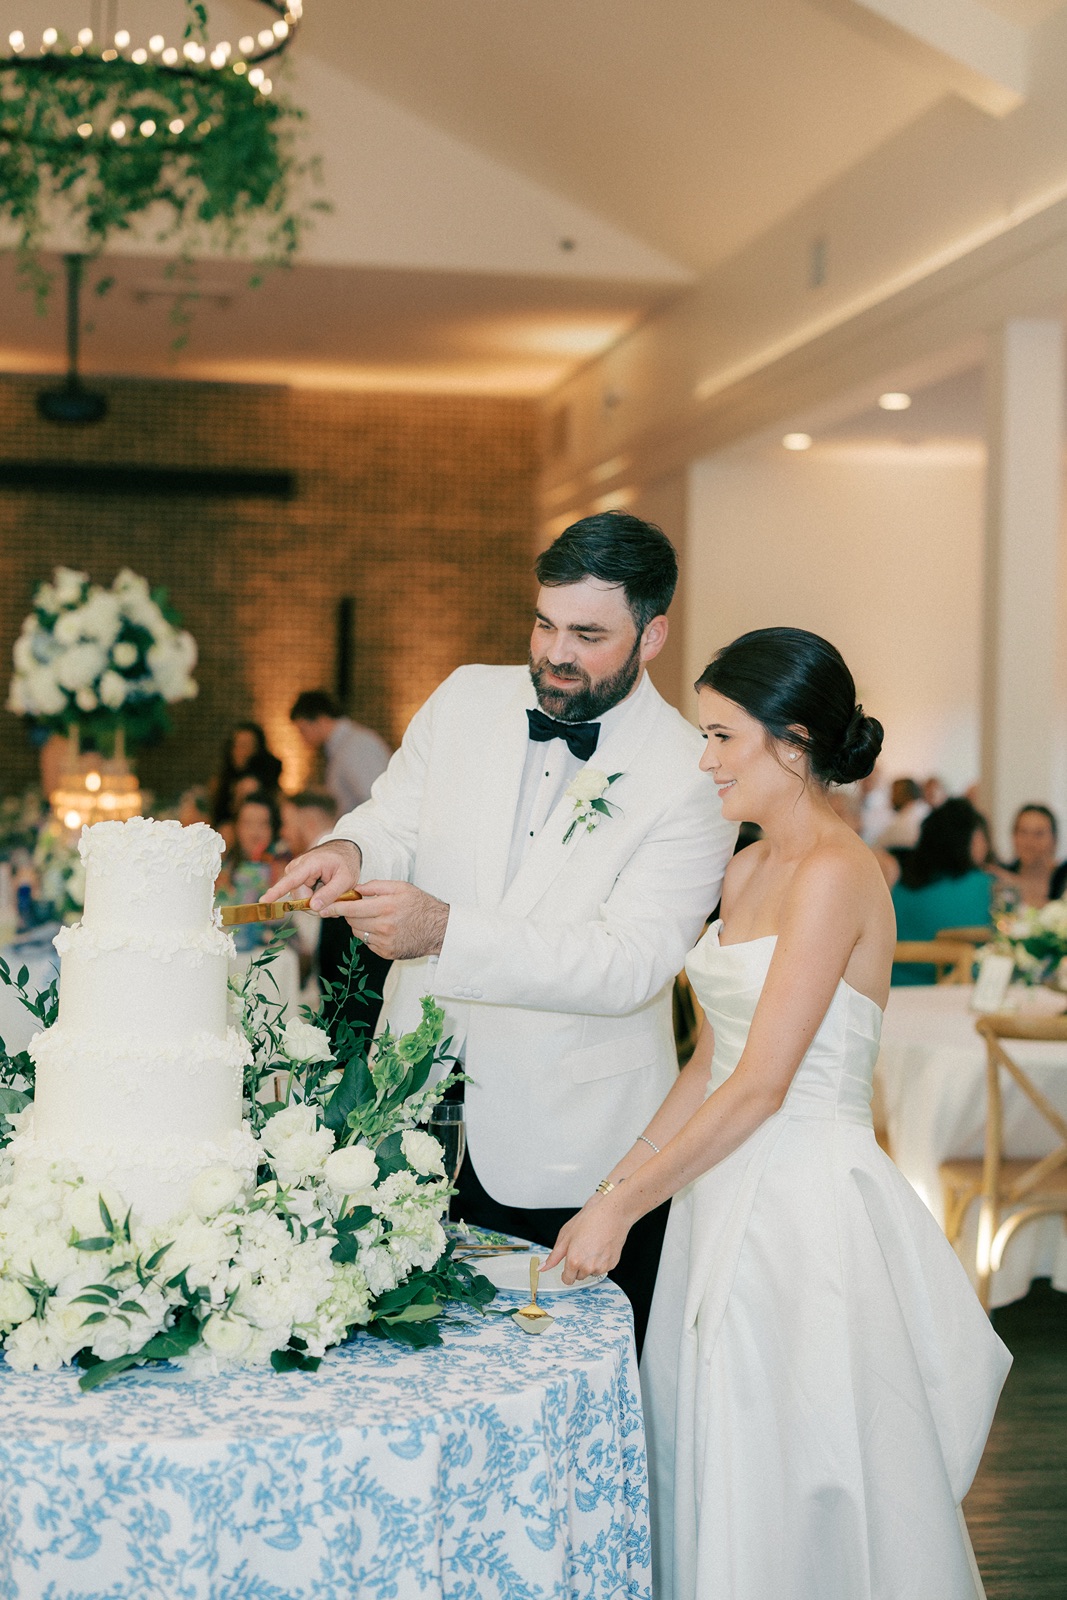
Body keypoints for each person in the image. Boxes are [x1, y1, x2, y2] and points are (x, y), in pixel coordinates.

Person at [545, 626, 1010, 1600]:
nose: (703, 758)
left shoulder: (840, 870)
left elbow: (762, 1083)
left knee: (797, 1464)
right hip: (719, 1195)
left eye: (720, 736)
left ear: (791, 740)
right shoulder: (742, 868)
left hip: (803, 1206)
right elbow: (707, 1057)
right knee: (708, 1440)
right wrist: (615, 1178)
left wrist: (625, 1209)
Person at [268, 511, 737, 1350]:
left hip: (570, 1146)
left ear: (652, 633)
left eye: (588, 634)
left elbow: (631, 963)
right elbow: (394, 815)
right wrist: (348, 845)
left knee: (551, 1381)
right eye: (544, 623)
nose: (555, 653)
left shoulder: (692, 770)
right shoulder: (466, 696)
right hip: (406, 1111)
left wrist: (446, 931)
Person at [280, 790, 390, 1032]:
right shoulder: (358, 854)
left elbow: (309, 941)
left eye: (287, 824)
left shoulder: (316, 865)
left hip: (343, 992)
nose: (283, 833)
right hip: (369, 991)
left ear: (308, 822)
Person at [885, 798, 993, 983]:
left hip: (896, 991)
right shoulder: (987, 887)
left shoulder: (900, 886)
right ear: (971, 839)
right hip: (955, 995)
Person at [289, 691, 391, 816]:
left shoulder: (356, 745)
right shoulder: (342, 745)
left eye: (303, 730)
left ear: (321, 720)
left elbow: (373, 798)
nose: (302, 738)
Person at [216, 790, 287, 951]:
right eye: (247, 824)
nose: (255, 833)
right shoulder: (220, 870)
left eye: (263, 824)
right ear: (236, 827)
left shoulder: (284, 870)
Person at [210, 722, 283, 834]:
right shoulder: (223, 780)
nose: (240, 751)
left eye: (245, 745)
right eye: (236, 745)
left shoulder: (256, 781)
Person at [993, 803, 1067, 909]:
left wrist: (1018, 887)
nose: (1029, 841)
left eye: (1039, 834)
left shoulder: (1064, 878)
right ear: (1013, 837)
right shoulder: (1000, 877)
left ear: (1054, 840)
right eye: (1023, 832)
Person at [875, 774, 929, 848]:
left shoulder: (905, 821)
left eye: (894, 792)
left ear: (907, 795)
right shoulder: (922, 810)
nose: (891, 798)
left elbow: (879, 846)